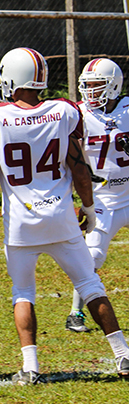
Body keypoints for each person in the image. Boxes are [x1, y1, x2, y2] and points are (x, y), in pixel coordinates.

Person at [0, 48, 129, 384]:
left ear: (13, 77)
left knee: (23, 292)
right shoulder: (64, 111)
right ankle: (123, 356)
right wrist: (87, 209)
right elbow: (81, 172)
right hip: (60, 216)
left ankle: (31, 368)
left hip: (21, 225)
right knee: (90, 285)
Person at [60, 58, 128, 333]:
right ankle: (76, 312)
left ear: (114, 86)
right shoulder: (79, 115)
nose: (91, 92)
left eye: (98, 86)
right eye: (87, 86)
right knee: (91, 256)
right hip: (103, 200)